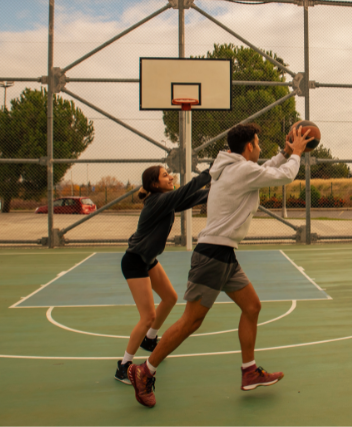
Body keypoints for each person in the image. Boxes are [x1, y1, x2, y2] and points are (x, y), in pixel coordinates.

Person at [128, 123, 313, 407]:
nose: (260, 146)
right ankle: (144, 370)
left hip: (224, 254)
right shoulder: (241, 170)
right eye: (258, 142)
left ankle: (249, 371)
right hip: (213, 255)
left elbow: (265, 170)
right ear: (249, 146)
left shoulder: (234, 167)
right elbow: (282, 176)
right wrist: (296, 154)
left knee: (252, 306)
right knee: (192, 321)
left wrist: (284, 152)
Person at [114, 166, 211, 384]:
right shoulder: (157, 201)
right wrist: (211, 171)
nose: (170, 177)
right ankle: (124, 366)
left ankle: (149, 340)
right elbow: (187, 191)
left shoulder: (165, 200)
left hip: (147, 260)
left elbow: (193, 198)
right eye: (165, 176)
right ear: (155, 185)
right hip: (135, 261)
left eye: (169, 174)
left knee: (170, 298)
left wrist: (220, 190)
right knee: (147, 316)